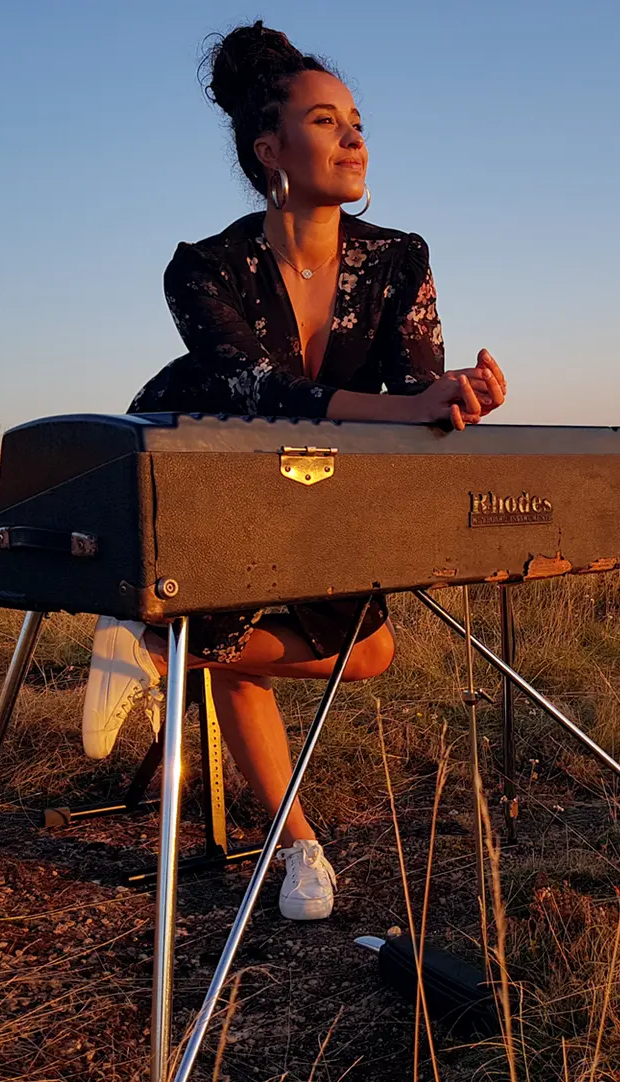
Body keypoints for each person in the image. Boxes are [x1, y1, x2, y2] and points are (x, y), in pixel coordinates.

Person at [79, 22, 509, 922]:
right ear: (269, 150)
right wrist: (410, 410)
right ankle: (297, 846)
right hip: (198, 471)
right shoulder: (202, 269)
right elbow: (260, 392)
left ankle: (154, 644)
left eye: (357, 122)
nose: (355, 138)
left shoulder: (400, 257)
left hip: (312, 480)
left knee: (369, 652)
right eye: (326, 121)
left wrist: (460, 396)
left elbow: (413, 387)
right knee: (233, 636)